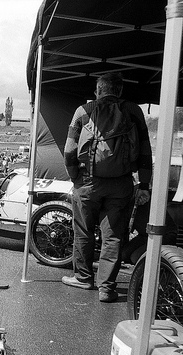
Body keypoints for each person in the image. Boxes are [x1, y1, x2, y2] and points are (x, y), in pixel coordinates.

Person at [61, 72, 152, 303]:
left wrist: (75, 177)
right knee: (113, 236)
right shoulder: (134, 111)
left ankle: (83, 278)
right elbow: (144, 150)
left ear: (98, 90)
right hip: (121, 184)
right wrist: (143, 184)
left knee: (83, 231)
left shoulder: (84, 111)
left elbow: (70, 150)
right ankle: (107, 289)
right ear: (120, 91)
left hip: (88, 182)